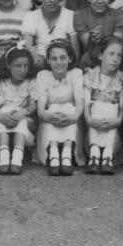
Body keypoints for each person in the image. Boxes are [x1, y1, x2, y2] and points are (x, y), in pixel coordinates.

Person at [34, 38, 85, 175]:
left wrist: (73, 117)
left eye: (63, 58)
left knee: (69, 107)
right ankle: (54, 152)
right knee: (53, 108)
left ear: (70, 59)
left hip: (71, 119)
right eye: (54, 58)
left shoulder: (76, 74)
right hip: (49, 120)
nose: (58, 62)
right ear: (48, 61)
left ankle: (68, 152)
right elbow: (40, 109)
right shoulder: (43, 76)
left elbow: (79, 104)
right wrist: (49, 116)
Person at [83, 35, 123, 175]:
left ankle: (108, 155)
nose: (115, 59)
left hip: (112, 127)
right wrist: (89, 119)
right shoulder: (91, 75)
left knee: (111, 107)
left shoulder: (122, 78)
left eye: (119, 55)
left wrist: (118, 120)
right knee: (97, 105)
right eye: (111, 54)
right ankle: (94, 154)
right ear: (101, 55)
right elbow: (85, 101)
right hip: (93, 125)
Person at [0, 47, 37, 175]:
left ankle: (17, 158)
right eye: (17, 66)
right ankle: (4, 158)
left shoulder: (30, 82)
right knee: (2, 123)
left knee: (21, 123)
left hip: (24, 120)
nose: (22, 70)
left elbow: (34, 104)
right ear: (8, 65)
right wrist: (1, 117)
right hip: (4, 120)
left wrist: (22, 112)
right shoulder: (2, 84)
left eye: (26, 66)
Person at [21, 0, 79, 67]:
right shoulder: (31, 16)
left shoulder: (70, 15)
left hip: (63, 63)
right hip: (39, 64)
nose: (52, 0)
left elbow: (75, 52)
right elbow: (28, 48)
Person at [73, 0, 123, 68]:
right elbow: (87, 46)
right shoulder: (79, 15)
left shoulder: (118, 15)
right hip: (91, 57)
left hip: (113, 56)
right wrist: (92, 39)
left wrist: (102, 42)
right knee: (86, 57)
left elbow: (116, 44)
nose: (100, 1)